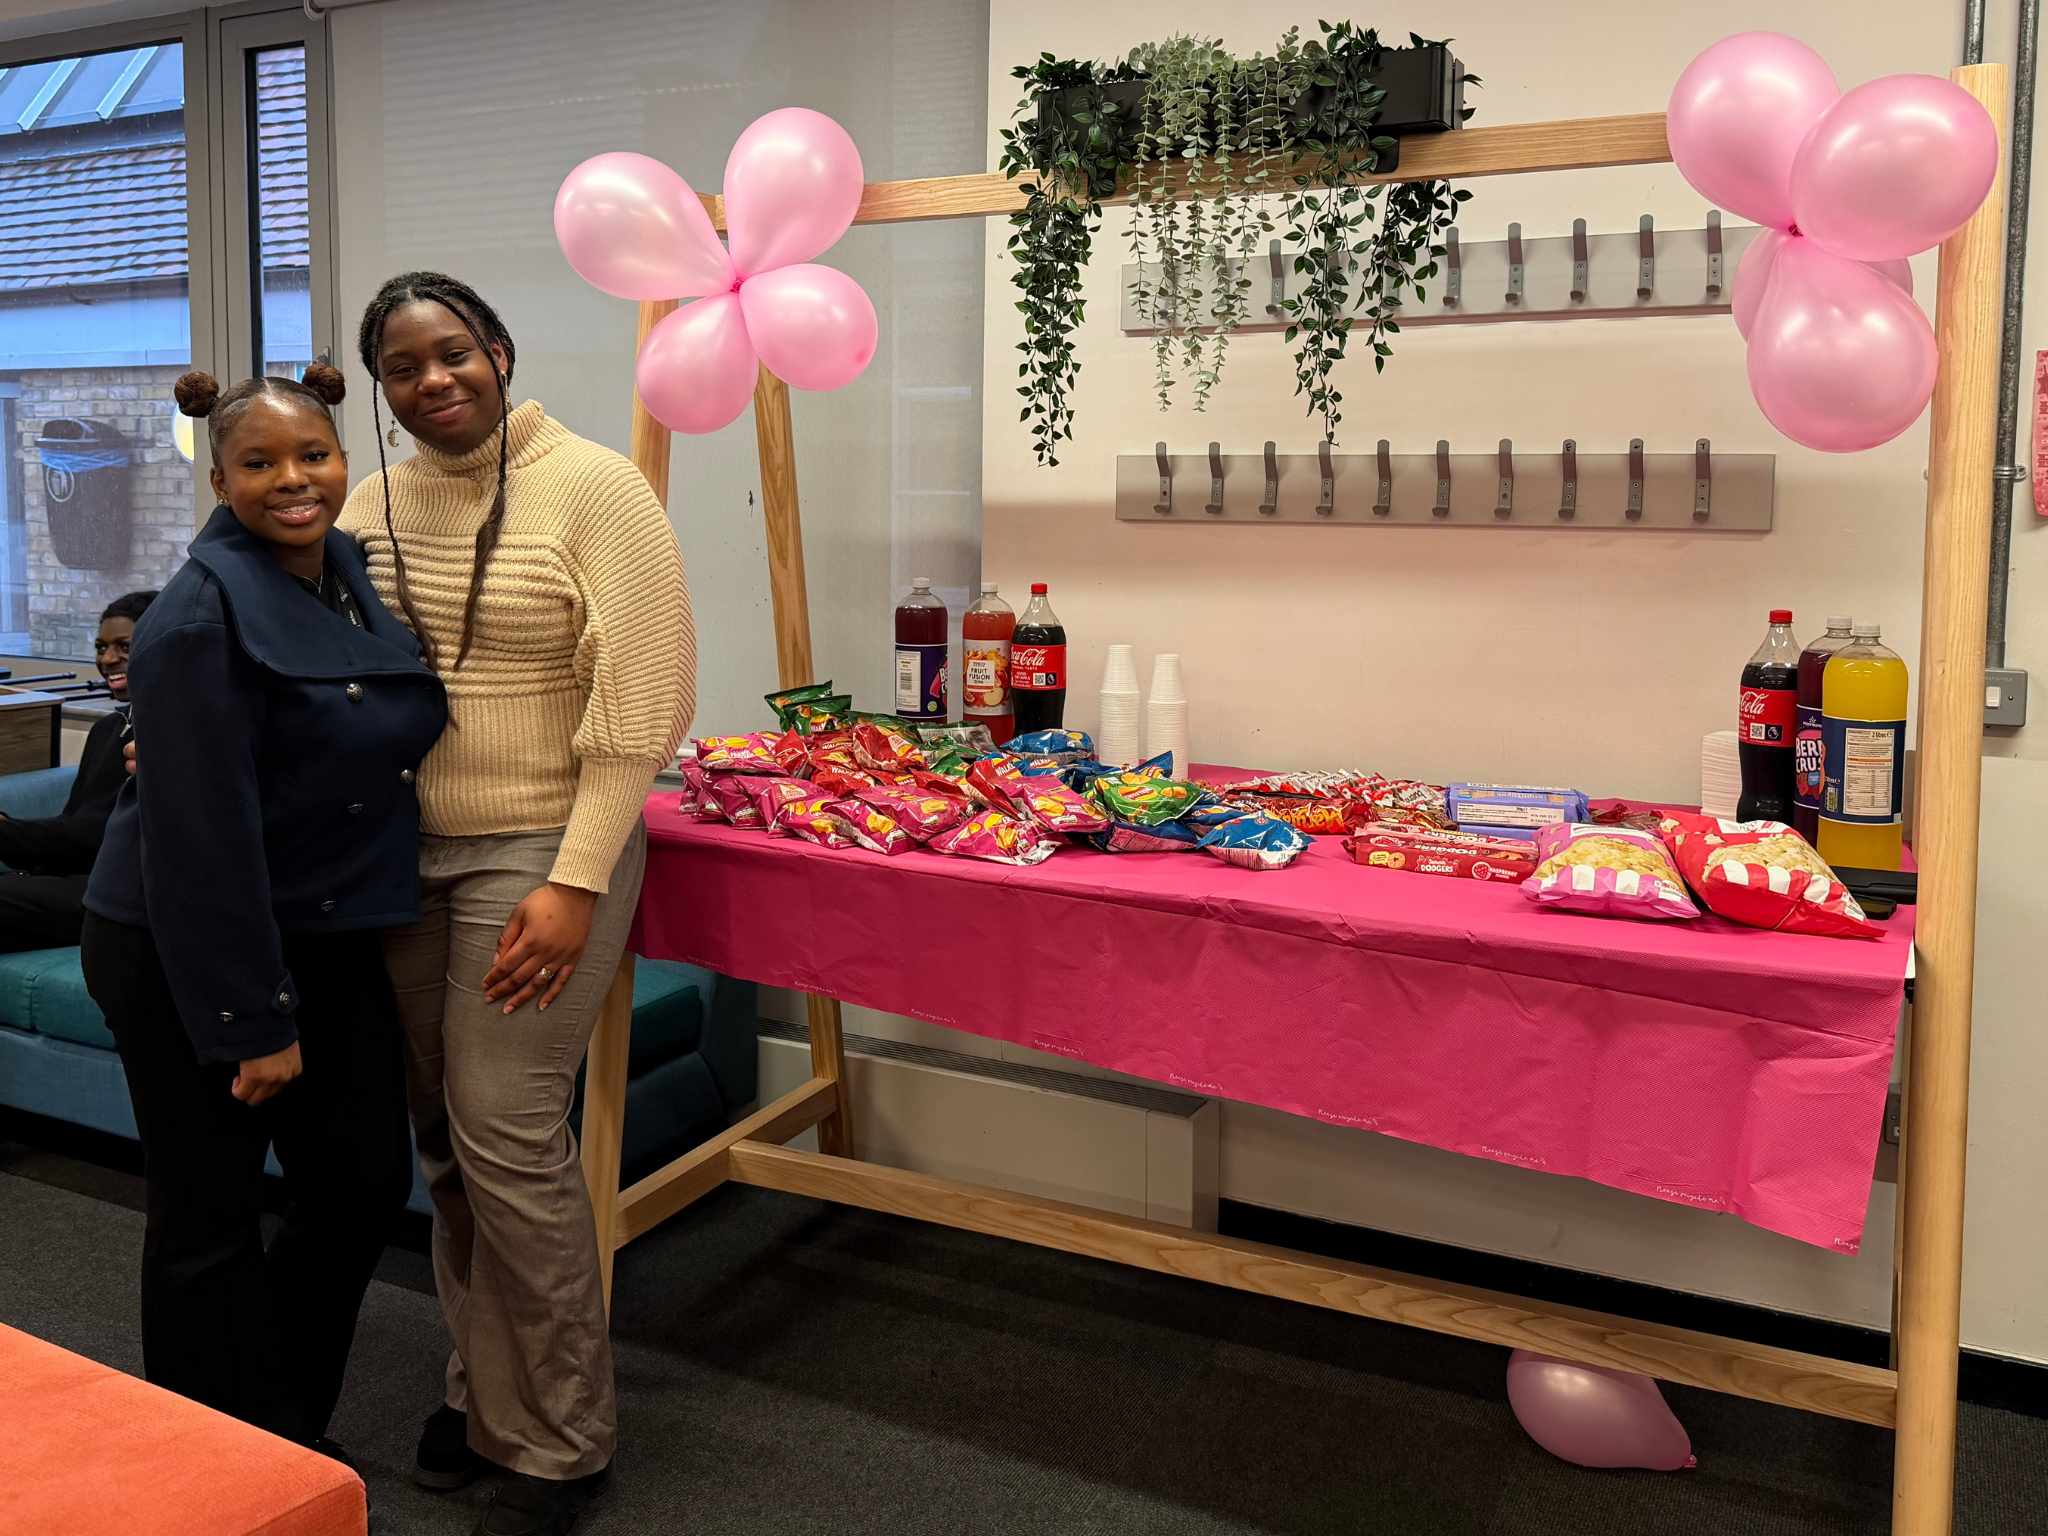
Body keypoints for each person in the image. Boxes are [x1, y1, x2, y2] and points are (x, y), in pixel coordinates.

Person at [344, 271, 694, 1536]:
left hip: (544, 849)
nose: (433, 379)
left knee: (505, 1135)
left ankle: (558, 1438)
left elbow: (641, 705)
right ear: (379, 387)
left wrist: (575, 878)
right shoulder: (372, 503)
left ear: (498, 347)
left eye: (453, 352)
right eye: (401, 365)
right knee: (442, 1138)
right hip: (404, 860)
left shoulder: (597, 486)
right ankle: (482, 1384)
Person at [80, 367, 448, 1455]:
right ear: (218, 473)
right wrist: (253, 1022)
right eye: (260, 463)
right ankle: (213, 1463)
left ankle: (270, 1426)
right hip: (190, 945)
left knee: (361, 1183)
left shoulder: (340, 568)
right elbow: (202, 844)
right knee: (207, 1217)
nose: (294, 480)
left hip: (324, 927)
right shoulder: (195, 622)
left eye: (314, 455)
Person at [0, 591, 154, 950]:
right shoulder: (108, 729)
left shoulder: (176, 731)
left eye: (124, 646)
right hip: (81, 877)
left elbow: (93, 836)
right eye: (101, 647)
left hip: (125, 893)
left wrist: (7, 833)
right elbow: (77, 827)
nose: (108, 659)